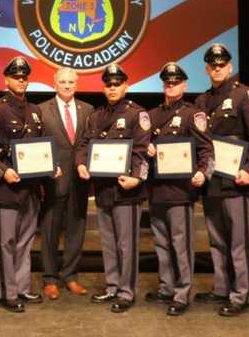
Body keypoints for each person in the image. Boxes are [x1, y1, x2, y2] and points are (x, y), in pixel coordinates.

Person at [193, 43, 249, 316]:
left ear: (230, 67)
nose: (217, 68)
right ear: (206, 69)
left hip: (236, 181)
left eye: (222, 64)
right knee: (217, 240)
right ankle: (220, 288)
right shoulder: (202, 101)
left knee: (239, 241)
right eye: (212, 65)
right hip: (212, 182)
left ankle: (240, 295)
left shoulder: (244, 95)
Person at [0, 56, 55, 313]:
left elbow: (38, 149)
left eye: (24, 77)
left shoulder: (34, 111)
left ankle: (22, 287)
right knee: (6, 242)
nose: (21, 80)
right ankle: (7, 293)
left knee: (25, 242)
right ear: (6, 79)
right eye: (16, 76)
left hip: (30, 189)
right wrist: (3, 171)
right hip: (5, 188)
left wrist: (50, 166)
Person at [75, 63, 151, 313]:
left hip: (127, 190)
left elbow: (141, 153)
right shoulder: (95, 116)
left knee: (126, 245)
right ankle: (112, 286)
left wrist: (138, 179)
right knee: (108, 242)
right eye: (108, 84)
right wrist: (81, 164)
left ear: (125, 86)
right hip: (104, 189)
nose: (112, 88)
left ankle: (126, 292)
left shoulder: (136, 114)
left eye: (117, 84)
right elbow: (84, 146)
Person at [144, 62, 214, 316]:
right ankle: (166, 287)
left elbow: (206, 149)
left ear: (184, 85)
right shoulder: (151, 116)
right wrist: (147, 148)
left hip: (180, 192)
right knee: (161, 244)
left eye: (176, 82)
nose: (171, 86)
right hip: (156, 190)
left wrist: (202, 173)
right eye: (167, 83)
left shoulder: (192, 114)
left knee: (180, 244)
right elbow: (141, 147)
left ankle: (182, 293)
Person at [37, 67, 94, 300]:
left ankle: (70, 276)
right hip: (53, 180)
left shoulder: (88, 110)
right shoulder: (41, 110)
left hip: (79, 181)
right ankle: (50, 279)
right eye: (63, 81)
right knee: (50, 230)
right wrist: (47, 167)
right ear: (54, 83)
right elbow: (37, 144)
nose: (67, 85)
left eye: (71, 81)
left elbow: (89, 143)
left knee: (76, 230)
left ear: (77, 84)